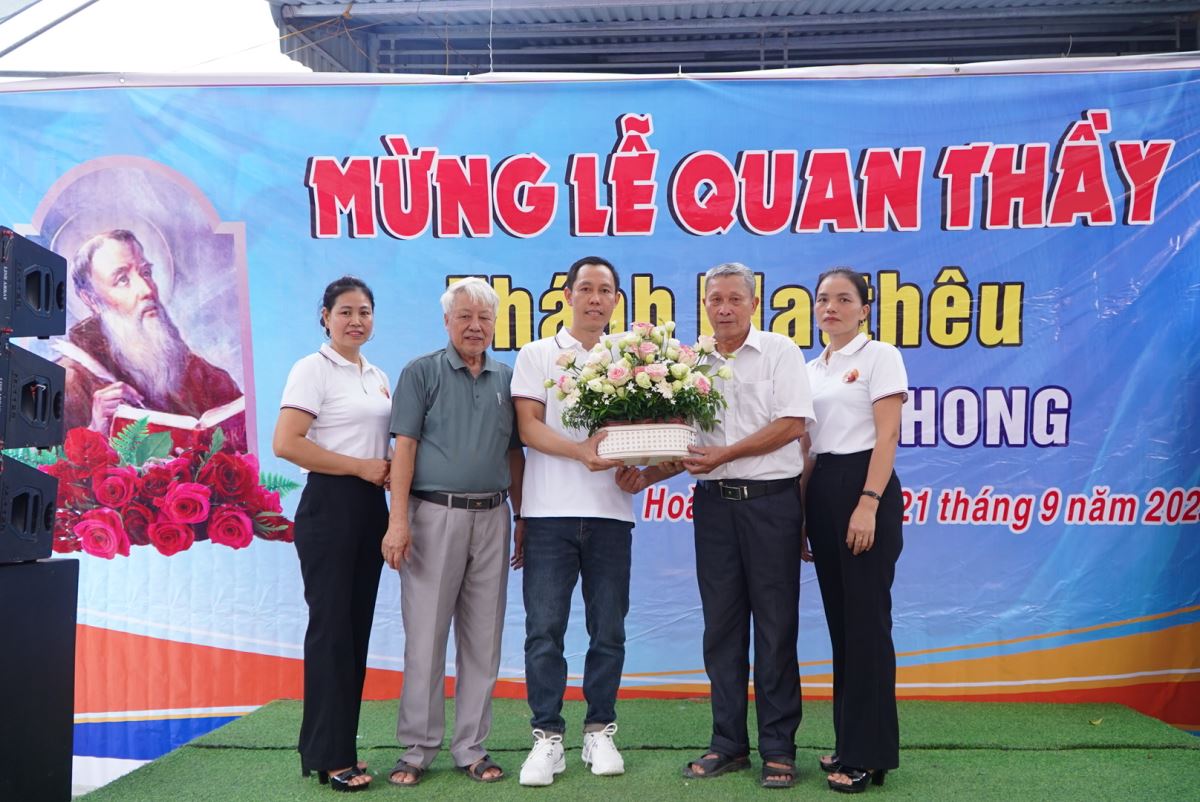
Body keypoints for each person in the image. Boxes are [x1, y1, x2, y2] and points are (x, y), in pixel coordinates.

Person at [382, 277, 525, 787]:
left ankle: (471, 747)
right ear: (447, 321)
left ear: (495, 324)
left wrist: (523, 517)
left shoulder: (507, 377)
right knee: (426, 637)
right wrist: (398, 521)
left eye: (484, 317)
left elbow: (515, 454)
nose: (475, 326)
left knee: (483, 638)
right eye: (465, 316)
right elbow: (404, 448)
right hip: (432, 516)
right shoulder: (421, 372)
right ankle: (417, 750)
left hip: (494, 515)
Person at [680, 262, 815, 790]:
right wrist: (644, 473)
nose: (725, 308)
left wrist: (727, 454)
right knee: (721, 629)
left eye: (735, 299)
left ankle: (779, 749)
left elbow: (793, 423)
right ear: (705, 306)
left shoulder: (779, 351)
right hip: (714, 508)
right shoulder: (690, 363)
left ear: (754, 304)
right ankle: (728, 743)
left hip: (771, 505)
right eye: (716, 300)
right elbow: (686, 442)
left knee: (776, 628)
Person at [509, 256, 640, 787]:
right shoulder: (538, 354)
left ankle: (599, 730)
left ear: (615, 300)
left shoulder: (631, 358)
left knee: (608, 629)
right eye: (585, 288)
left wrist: (642, 462)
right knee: (544, 631)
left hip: (611, 514)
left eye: (605, 290)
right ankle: (547, 737)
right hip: (548, 515)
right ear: (566, 295)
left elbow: (641, 430)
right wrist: (581, 452)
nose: (595, 298)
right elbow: (528, 428)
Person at [273, 276, 392, 793]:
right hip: (330, 504)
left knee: (355, 630)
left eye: (364, 312)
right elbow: (286, 443)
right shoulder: (312, 369)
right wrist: (360, 467)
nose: (355, 321)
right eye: (345, 312)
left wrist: (384, 470)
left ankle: (339, 746)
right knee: (330, 631)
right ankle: (329, 755)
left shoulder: (377, 375)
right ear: (325, 317)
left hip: (370, 508)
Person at [801, 268, 907, 794]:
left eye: (844, 299)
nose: (831, 307)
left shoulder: (879, 356)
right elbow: (808, 448)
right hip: (823, 488)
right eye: (824, 299)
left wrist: (868, 503)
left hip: (866, 485)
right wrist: (801, 516)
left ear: (864, 309)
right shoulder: (811, 369)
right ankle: (849, 742)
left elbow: (887, 436)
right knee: (843, 627)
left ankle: (869, 755)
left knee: (867, 626)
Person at [57, 229, 242, 437]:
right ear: (91, 300)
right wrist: (95, 430)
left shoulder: (192, 368)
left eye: (145, 273)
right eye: (122, 280)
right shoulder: (68, 380)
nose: (146, 289)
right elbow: (38, 454)